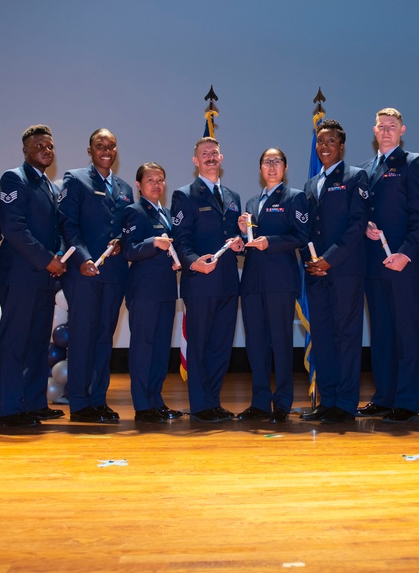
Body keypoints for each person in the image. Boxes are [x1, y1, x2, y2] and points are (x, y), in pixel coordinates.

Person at [357, 108, 419, 423]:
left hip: (403, 262)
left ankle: (406, 399)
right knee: (382, 334)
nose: (386, 130)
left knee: (406, 333)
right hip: (374, 264)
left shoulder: (413, 163)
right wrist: (364, 226)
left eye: (392, 126)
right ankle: (384, 396)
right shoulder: (365, 169)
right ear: (374, 130)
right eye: (381, 126)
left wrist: (406, 253)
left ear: (402, 130)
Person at [57, 129, 134, 423]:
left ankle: (98, 399)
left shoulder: (125, 188)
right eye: (99, 145)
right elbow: (67, 224)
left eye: (111, 145)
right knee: (82, 338)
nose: (106, 149)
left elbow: (130, 229)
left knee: (104, 339)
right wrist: (83, 258)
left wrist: (122, 243)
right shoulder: (75, 179)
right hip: (84, 274)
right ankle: (79, 402)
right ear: (89, 150)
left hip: (114, 276)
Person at [0, 125, 67, 428]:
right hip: (21, 276)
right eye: (39, 145)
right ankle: (9, 410)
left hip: (44, 278)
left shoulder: (49, 185)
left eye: (50, 146)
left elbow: (55, 230)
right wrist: (46, 259)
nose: (46, 150)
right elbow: (13, 228)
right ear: (25, 150)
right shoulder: (14, 178)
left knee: (37, 343)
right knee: (15, 344)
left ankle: (35, 402)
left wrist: (61, 256)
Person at [170, 137, 245, 422]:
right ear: (195, 161)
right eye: (205, 154)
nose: (210, 157)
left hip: (228, 282)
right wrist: (193, 263)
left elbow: (233, 237)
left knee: (221, 346)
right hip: (201, 282)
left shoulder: (233, 197)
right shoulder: (184, 195)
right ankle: (201, 406)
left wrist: (239, 245)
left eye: (214, 152)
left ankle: (213, 401)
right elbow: (181, 241)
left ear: (221, 157)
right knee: (200, 346)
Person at [300, 120, 369, 424]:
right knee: (324, 337)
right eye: (320, 141)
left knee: (346, 337)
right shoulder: (310, 184)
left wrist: (329, 259)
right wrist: (311, 261)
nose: (324, 146)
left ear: (341, 146)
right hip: (316, 275)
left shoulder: (356, 177)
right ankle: (327, 400)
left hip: (344, 272)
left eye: (330, 141)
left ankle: (345, 402)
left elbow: (357, 226)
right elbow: (305, 230)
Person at [236, 148, 310, 424]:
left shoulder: (294, 198)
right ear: (260, 168)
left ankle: (282, 403)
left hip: (280, 281)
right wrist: (241, 238)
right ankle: (259, 402)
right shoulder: (252, 202)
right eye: (266, 162)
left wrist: (271, 243)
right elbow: (250, 244)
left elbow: (301, 236)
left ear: (286, 167)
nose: (271, 166)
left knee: (280, 343)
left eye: (276, 161)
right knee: (255, 344)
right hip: (253, 281)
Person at [121, 162, 184, 423]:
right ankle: (142, 405)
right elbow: (129, 249)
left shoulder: (167, 214)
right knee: (143, 348)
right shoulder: (134, 212)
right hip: (144, 291)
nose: (156, 184)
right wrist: (153, 243)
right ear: (138, 185)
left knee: (160, 349)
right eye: (150, 180)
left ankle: (156, 400)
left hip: (166, 290)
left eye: (160, 179)